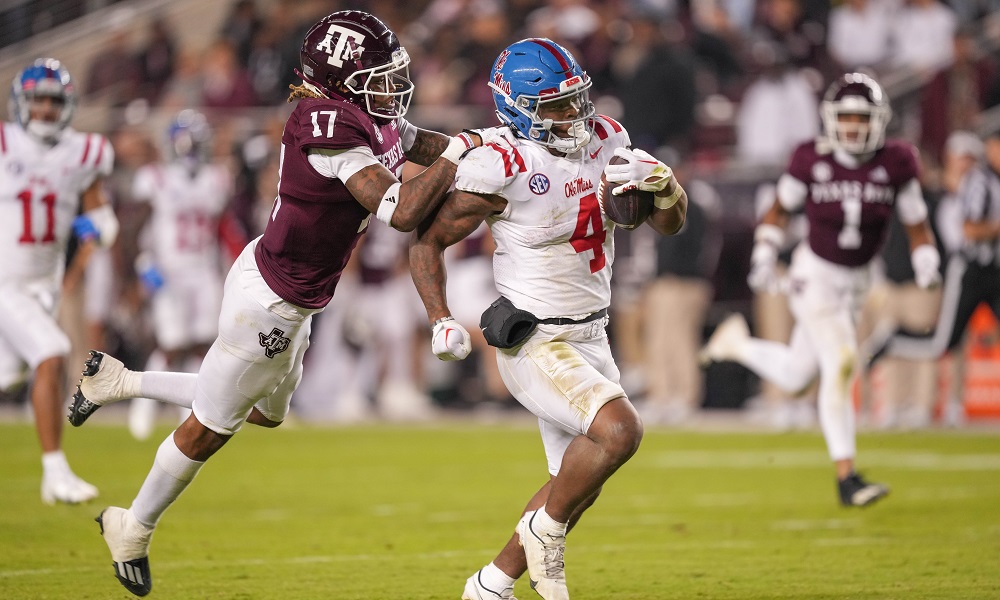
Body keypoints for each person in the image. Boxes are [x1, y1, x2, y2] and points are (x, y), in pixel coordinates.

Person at [67, 10, 497, 596]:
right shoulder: (325, 124)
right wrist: (459, 158)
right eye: (378, 76)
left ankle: (120, 382)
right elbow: (399, 210)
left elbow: (421, 141)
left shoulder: (367, 115)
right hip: (272, 302)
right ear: (340, 80)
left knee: (264, 412)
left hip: (291, 290)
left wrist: (494, 155)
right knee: (208, 429)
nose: (392, 88)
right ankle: (132, 527)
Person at [408, 38, 688, 600]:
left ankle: (489, 587)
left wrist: (667, 188)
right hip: (535, 336)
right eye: (556, 107)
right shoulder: (504, 164)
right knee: (619, 431)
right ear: (517, 109)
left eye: (576, 100)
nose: (574, 116)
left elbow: (668, 225)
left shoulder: (610, 139)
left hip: (592, 331)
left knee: (579, 484)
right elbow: (426, 242)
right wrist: (440, 316)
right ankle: (542, 532)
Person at [700, 72, 941, 507]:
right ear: (831, 119)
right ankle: (847, 478)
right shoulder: (811, 158)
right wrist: (764, 255)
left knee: (796, 375)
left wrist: (927, 259)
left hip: (858, 280)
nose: (851, 126)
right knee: (842, 361)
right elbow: (778, 211)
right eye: (845, 117)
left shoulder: (897, 161)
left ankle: (736, 344)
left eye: (860, 118)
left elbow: (917, 222)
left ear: (879, 120)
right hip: (815, 273)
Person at [1, 58, 118, 505]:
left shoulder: (83, 152)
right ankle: (55, 473)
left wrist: (102, 229)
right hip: (5, 280)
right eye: (38, 100)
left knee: (10, 378)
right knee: (52, 352)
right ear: (21, 103)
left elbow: (100, 212)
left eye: (54, 101)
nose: (46, 109)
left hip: (45, 286)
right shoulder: (4, 144)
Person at [125, 110, 237, 441]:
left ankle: (190, 411)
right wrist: (143, 265)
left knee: (204, 344)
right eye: (185, 145)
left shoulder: (216, 178)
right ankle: (142, 404)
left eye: (195, 144)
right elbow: (134, 229)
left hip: (202, 270)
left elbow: (222, 227)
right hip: (169, 270)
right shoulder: (156, 178)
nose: (190, 152)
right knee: (171, 344)